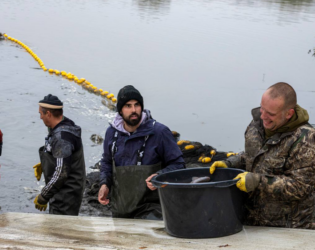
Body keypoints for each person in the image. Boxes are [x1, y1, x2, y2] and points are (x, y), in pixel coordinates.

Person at [210, 82, 315, 229]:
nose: (263, 116)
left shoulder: (306, 139)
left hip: (288, 229)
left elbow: (300, 187)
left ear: (289, 113)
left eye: (271, 114)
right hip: (250, 221)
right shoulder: (256, 125)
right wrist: (230, 163)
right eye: (262, 108)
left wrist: (258, 182)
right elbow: (252, 156)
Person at [98, 85, 186, 220]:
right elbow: (106, 162)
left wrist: (159, 176)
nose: (134, 110)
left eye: (137, 105)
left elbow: (179, 165)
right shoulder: (112, 133)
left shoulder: (159, 132)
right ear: (120, 111)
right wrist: (104, 184)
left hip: (152, 210)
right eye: (128, 106)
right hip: (121, 210)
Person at [33, 94, 86, 215]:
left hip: (66, 194)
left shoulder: (62, 138)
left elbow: (61, 173)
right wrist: (45, 164)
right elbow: (62, 158)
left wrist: (43, 196)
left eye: (41, 113)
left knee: (60, 231)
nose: (40, 117)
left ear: (49, 114)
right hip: (62, 190)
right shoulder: (61, 126)